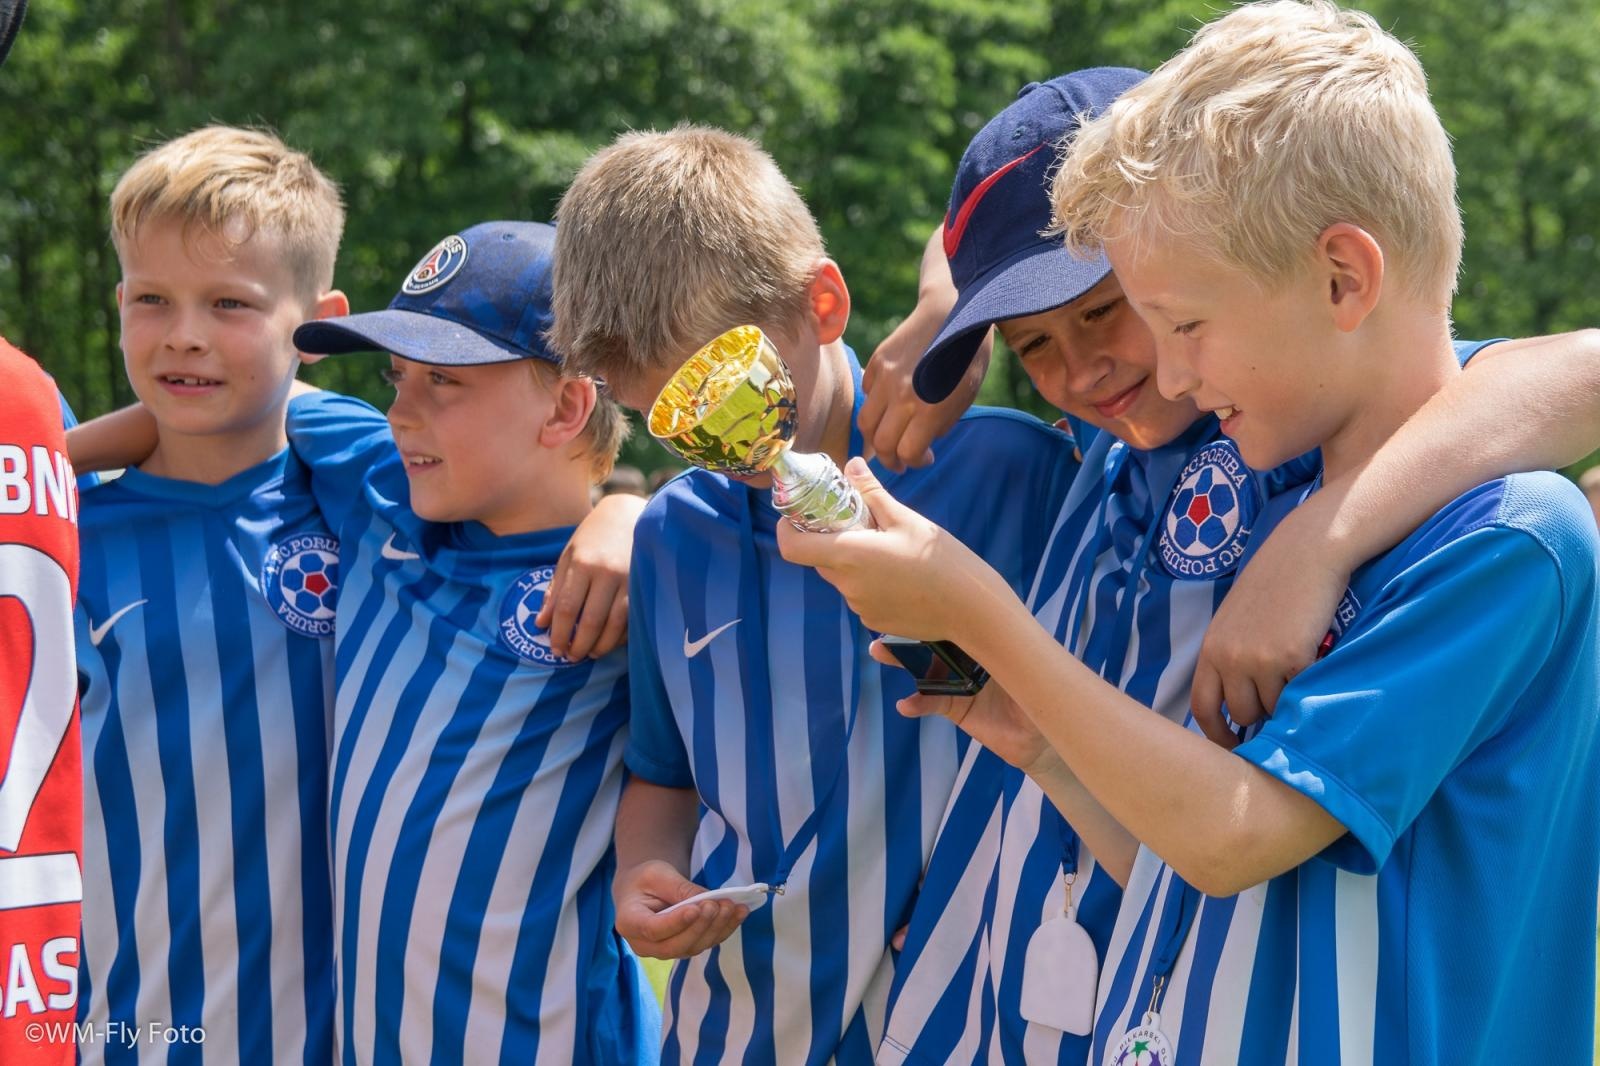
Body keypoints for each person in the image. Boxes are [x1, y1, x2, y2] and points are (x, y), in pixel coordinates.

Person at [782, 2, 1600, 1060]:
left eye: (1178, 322)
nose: (1159, 375)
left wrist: (976, 608)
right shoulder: (1139, 452)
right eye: (1035, 345)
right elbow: (1204, 881)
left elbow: (1234, 835)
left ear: (1342, 276)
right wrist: (1035, 733)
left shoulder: (1497, 536)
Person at [548, 126, 1082, 1064]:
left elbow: (1069, 146)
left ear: (822, 304)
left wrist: (950, 302)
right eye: (672, 422)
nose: (715, 442)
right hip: (745, 1027)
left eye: (726, 390)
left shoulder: (1012, 474)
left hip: (985, 1020)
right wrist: (645, 870)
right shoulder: (674, 539)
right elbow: (664, 773)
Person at [288, 220, 658, 1065]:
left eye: (444, 382)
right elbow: (228, 389)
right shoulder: (377, 484)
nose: (399, 413)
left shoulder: (640, 587)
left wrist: (636, 515)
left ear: (567, 406)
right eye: (396, 377)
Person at [71, 126, 351, 1064]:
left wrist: (622, 511)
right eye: (152, 299)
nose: (184, 332)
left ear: (317, 327)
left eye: (229, 302)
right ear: (120, 306)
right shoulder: (65, 544)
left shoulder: (383, 504)